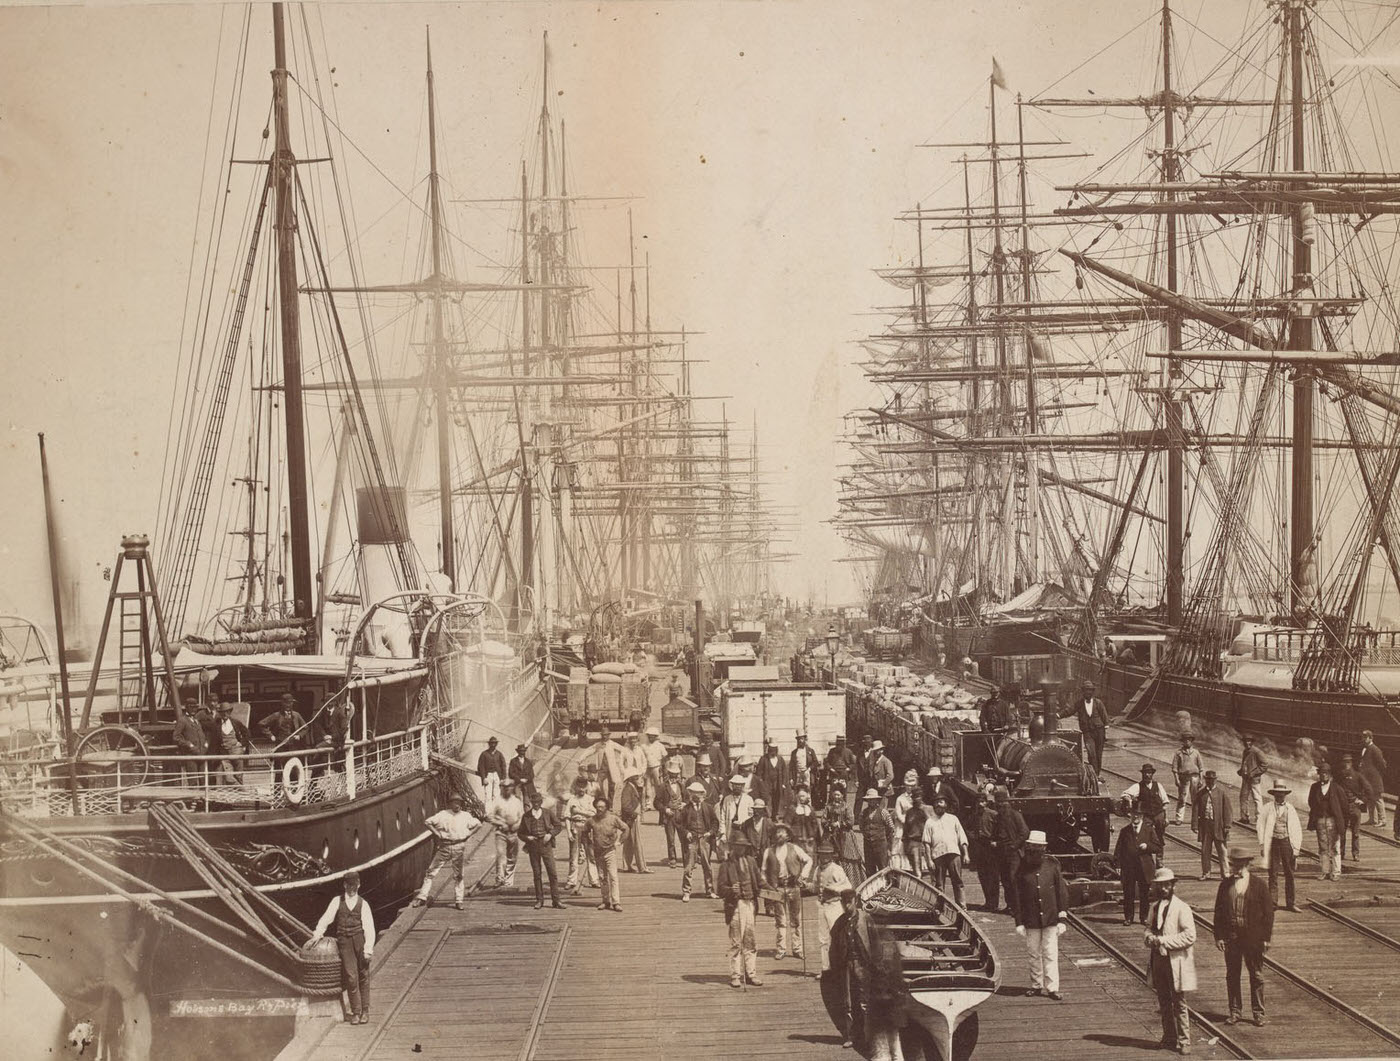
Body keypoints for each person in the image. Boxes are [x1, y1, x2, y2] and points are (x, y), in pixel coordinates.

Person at [1213, 845, 1273, 1027]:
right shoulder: (1225, 885)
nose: (1236, 867)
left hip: (1253, 938)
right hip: (1232, 937)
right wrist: (1219, 936)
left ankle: (1258, 1013)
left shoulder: (1259, 885)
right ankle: (1235, 1011)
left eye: (1240, 864)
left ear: (1247, 864)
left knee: (1256, 975)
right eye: (1234, 864)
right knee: (1232, 974)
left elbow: (1268, 914)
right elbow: (1218, 913)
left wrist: (1266, 938)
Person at [307, 871, 375, 1025]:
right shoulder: (337, 901)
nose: (352, 888)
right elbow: (326, 918)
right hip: (344, 942)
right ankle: (356, 1012)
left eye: (354, 885)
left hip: (359, 940)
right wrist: (317, 934)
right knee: (351, 977)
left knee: (363, 975)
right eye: (349, 885)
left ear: (359, 885)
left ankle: (365, 1011)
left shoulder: (363, 904)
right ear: (344, 885)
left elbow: (369, 927)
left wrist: (368, 949)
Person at [1145, 867, 1197, 1055]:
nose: (1164, 889)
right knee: (1163, 1000)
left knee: (1179, 1002)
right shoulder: (1154, 907)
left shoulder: (1182, 908)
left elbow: (1190, 936)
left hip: (1175, 960)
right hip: (1158, 959)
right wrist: (1149, 937)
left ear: (1173, 886)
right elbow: (1148, 927)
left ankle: (1184, 1040)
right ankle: (1169, 1037)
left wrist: (1165, 941)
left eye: (1167, 885)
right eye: (1161, 886)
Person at [1013, 830, 1069, 1000]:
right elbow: (1017, 896)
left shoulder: (1052, 866)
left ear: (1044, 848)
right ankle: (1036, 985)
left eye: (1039, 847)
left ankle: (1052, 988)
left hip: (1051, 917)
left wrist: (1062, 916)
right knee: (1033, 953)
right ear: (1028, 847)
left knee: (1050, 953)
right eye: (1033, 847)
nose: (1035, 850)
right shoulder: (1021, 868)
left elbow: (1061, 891)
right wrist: (1019, 921)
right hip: (1031, 919)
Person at [412, 795, 482, 910]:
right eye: (455, 803)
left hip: (459, 846)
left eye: (459, 803)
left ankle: (459, 900)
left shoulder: (466, 816)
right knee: (430, 872)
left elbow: (478, 824)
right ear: (450, 804)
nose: (457, 805)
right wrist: (437, 833)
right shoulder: (442, 814)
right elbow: (428, 822)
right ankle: (422, 897)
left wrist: (469, 833)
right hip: (444, 846)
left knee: (459, 875)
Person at [717, 832, 763, 988]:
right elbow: (720, 890)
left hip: (750, 904)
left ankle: (751, 974)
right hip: (735, 906)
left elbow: (760, 882)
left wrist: (775, 891)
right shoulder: (726, 865)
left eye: (743, 846)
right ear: (733, 847)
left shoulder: (751, 862)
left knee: (750, 940)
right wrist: (731, 889)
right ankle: (735, 975)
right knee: (736, 942)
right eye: (738, 846)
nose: (741, 849)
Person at [763, 822, 814, 961]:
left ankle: (797, 949)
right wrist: (767, 886)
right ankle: (781, 949)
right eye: (777, 832)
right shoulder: (768, 851)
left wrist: (803, 876)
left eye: (783, 832)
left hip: (793, 887)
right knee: (780, 920)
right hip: (777, 888)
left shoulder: (795, 848)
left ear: (788, 835)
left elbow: (809, 860)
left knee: (796, 919)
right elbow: (763, 871)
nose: (780, 834)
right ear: (773, 836)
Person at [1257, 780, 1301, 911]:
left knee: (1289, 873)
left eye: (1282, 794)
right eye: (1277, 794)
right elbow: (1260, 826)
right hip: (1273, 842)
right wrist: (1262, 844)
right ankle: (1273, 903)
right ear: (1274, 794)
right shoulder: (1267, 808)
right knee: (1273, 873)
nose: (1279, 796)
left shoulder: (1290, 809)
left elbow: (1296, 829)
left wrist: (1296, 848)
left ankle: (1291, 903)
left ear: (1285, 795)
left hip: (1287, 841)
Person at [519, 790, 567, 909]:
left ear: (541, 802)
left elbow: (558, 826)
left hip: (546, 845)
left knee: (552, 873)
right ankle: (539, 900)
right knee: (537, 874)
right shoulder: (526, 816)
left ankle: (556, 900)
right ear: (531, 802)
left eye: (538, 802)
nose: (536, 804)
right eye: (534, 802)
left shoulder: (547, 813)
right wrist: (527, 838)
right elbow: (520, 833)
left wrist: (550, 834)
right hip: (533, 845)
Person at [579, 794, 628, 912]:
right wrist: (588, 846)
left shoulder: (613, 819)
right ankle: (605, 901)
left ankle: (616, 902)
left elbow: (626, 828)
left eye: (602, 807)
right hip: (597, 852)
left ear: (606, 807)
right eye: (597, 807)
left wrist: (619, 841)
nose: (599, 809)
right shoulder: (591, 820)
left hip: (610, 851)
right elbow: (584, 833)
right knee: (602, 877)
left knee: (613, 876)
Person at [1115, 803, 1161, 924]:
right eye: (1134, 815)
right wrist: (1118, 865)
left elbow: (1158, 846)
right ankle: (1128, 917)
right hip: (1129, 867)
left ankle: (1144, 917)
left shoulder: (1149, 830)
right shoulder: (1125, 831)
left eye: (1138, 815)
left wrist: (1147, 846)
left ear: (1142, 816)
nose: (1135, 817)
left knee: (1144, 893)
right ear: (1131, 816)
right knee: (1128, 892)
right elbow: (1118, 850)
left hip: (1144, 867)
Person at [815, 837, 855, 973]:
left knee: (837, 937)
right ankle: (826, 968)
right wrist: (805, 885)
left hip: (835, 906)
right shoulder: (818, 870)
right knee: (823, 939)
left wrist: (833, 888)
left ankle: (839, 967)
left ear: (831, 856)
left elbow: (848, 887)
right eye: (822, 854)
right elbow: (815, 887)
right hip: (822, 906)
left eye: (827, 854)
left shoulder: (836, 869)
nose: (824, 857)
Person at [922, 795, 969, 906]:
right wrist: (929, 860)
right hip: (938, 855)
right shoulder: (929, 822)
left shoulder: (953, 819)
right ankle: (940, 907)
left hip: (953, 853)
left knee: (958, 881)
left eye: (941, 802)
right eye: (936, 803)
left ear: (946, 805)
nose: (938, 804)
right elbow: (926, 843)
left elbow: (962, 837)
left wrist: (966, 854)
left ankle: (962, 906)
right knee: (938, 884)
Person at [677, 780, 719, 901]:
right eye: (694, 793)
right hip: (692, 840)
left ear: (702, 794)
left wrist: (710, 832)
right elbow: (679, 824)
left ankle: (710, 890)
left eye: (699, 793)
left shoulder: (708, 808)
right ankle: (686, 892)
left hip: (704, 839)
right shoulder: (686, 809)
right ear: (690, 794)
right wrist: (686, 833)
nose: (696, 796)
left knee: (707, 866)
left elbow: (715, 822)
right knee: (689, 867)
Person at [1306, 760, 1347, 881]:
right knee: (1322, 847)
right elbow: (1311, 802)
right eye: (1322, 773)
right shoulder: (1314, 787)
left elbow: (1344, 806)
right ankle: (1324, 871)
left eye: (1326, 773)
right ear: (1319, 774)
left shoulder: (1337, 788)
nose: (1324, 775)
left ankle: (1336, 872)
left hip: (1333, 821)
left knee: (1334, 846)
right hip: (1320, 821)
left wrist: (1341, 821)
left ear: (1330, 774)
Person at [993, 786, 1029, 915]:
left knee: (1014, 880)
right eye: (998, 803)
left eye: (1002, 803)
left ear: (1006, 803)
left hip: (1014, 854)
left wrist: (1015, 846)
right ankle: (1009, 905)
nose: (1000, 805)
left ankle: (1017, 908)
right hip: (1002, 853)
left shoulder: (1015, 815)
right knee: (1005, 881)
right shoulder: (998, 817)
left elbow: (1024, 832)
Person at [485, 778, 525, 889]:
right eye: (505, 787)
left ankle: (508, 881)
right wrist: (500, 823)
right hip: (501, 832)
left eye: (509, 787)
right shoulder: (497, 801)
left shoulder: (517, 801)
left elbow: (522, 816)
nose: (507, 789)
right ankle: (499, 879)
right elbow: (489, 816)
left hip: (514, 832)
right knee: (501, 855)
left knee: (512, 857)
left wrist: (518, 824)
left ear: (512, 788)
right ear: (502, 788)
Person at [1193, 770, 1231, 880]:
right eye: (1208, 780)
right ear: (1205, 780)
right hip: (1205, 826)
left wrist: (1227, 825)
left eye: (1212, 780)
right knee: (1205, 851)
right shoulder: (1201, 793)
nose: (1210, 782)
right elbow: (1195, 809)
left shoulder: (1221, 793)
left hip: (1219, 826)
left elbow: (1227, 810)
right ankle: (1206, 872)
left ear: (1216, 780)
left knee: (1222, 851)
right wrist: (1195, 825)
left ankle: (1226, 873)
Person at [564, 775, 599, 892]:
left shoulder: (590, 800)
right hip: (575, 827)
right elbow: (567, 817)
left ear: (586, 787)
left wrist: (579, 811)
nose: (581, 789)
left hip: (587, 827)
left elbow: (594, 814)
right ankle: (571, 880)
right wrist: (568, 831)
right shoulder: (572, 800)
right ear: (576, 787)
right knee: (574, 855)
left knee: (591, 855)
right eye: (579, 786)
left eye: (583, 787)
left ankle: (594, 880)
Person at [1120, 763, 1170, 841]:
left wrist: (1165, 817)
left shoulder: (1158, 785)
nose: (1147, 775)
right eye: (1145, 773)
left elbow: (1165, 801)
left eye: (1149, 773)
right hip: (1146, 814)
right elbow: (1125, 794)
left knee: (1160, 831)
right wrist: (1129, 800)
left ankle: (1159, 850)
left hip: (1158, 813)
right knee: (1145, 832)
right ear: (1142, 774)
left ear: (1152, 774)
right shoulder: (1138, 786)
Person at [969, 791, 1001, 912]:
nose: (980, 804)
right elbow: (968, 828)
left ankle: (994, 903)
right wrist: (973, 837)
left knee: (993, 875)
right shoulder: (974, 815)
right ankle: (988, 901)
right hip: (979, 847)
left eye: (982, 801)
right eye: (978, 802)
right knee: (983, 875)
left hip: (991, 847)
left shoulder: (993, 814)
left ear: (986, 802)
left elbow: (1000, 829)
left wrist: (995, 840)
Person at [1336, 753, 1371, 861]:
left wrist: (1362, 800)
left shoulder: (1358, 776)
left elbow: (1369, 790)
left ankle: (1355, 854)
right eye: (1344, 762)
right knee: (1341, 831)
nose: (1346, 764)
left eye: (1348, 762)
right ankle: (1341, 853)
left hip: (1354, 806)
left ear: (1351, 763)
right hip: (1343, 807)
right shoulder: (1339, 776)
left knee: (1355, 833)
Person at [210, 702, 253, 785]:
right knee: (228, 777)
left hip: (237, 752)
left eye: (227, 712)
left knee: (239, 775)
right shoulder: (216, 724)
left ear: (230, 712)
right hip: (224, 754)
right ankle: (241, 790)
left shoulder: (235, 722)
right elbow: (213, 741)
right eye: (223, 712)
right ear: (220, 713)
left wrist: (242, 744)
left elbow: (247, 733)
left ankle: (240, 795)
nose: (225, 714)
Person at [655, 759, 688, 868]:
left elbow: (687, 799)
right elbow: (656, 802)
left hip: (681, 815)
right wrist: (665, 809)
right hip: (669, 816)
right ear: (668, 774)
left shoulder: (682, 786)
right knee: (671, 839)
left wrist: (684, 804)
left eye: (676, 774)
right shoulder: (662, 787)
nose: (674, 776)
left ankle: (686, 859)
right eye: (672, 774)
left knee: (684, 838)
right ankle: (672, 859)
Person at [860, 788, 897, 878]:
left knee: (883, 867)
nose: (871, 801)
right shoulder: (863, 813)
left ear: (877, 800)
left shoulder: (883, 812)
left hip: (881, 845)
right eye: (869, 800)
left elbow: (891, 829)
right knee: (869, 868)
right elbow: (861, 827)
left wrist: (889, 846)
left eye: (873, 799)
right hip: (868, 845)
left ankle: (886, 886)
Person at [619, 774, 651, 873]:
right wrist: (634, 815)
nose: (640, 779)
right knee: (637, 842)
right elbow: (625, 805)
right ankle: (642, 867)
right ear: (632, 778)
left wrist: (641, 789)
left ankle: (627, 866)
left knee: (629, 842)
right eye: (637, 778)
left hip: (630, 818)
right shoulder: (628, 789)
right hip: (632, 818)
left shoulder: (632, 787)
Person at [718, 775, 755, 858]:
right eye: (735, 785)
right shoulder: (727, 799)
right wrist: (722, 833)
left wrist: (743, 823)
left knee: (742, 851)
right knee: (730, 852)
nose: (737, 787)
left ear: (743, 786)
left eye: (739, 785)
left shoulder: (748, 799)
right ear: (732, 786)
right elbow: (723, 817)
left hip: (743, 829)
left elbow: (751, 816)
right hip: (730, 829)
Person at [1171, 733, 1204, 827]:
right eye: (1185, 740)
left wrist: (1201, 779)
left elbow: (1201, 767)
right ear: (1183, 741)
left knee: (1195, 799)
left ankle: (1196, 819)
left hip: (1194, 777)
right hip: (1184, 778)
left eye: (1189, 740)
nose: (1187, 741)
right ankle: (1179, 818)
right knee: (1182, 798)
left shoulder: (1196, 752)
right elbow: (1175, 768)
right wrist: (1176, 779)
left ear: (1191, 741)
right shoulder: (1179, 753)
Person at [1075, 679, 1106, 775]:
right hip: (1087, 732)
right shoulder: (1079, 703)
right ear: (1083, 691)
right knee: (1091, 753)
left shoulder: (1098, 703)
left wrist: (1106, 731)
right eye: (1086, 690)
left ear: (1092, 692)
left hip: (1099, 731)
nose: (1088, 692)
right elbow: (1069, 710)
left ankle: (1097, 774)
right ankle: (1094, 774)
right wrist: (1059, 715)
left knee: (1098, 754)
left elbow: (1104, 715)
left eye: (1090, 690)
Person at [172, 701, 207, 784]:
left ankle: (203, 797)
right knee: (193, 781)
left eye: (195, 707)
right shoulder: (182, 720)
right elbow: (176, 737)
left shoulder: (196, 721)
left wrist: (205, 745)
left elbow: (202, 735)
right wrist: (189, 745)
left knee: (204, 781)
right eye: (191, 707)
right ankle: (194, 797)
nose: (193, 709)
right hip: (190, 755)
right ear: (186, 708)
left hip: (201, 754)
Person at [754, 738, 790, 817]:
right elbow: (758, 773)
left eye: (774, 749)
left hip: (777, 783)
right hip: (766, 783)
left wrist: (783, 783)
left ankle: (775, 815)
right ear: (768, 749)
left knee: (776, 799)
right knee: (767, 799)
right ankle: (768, 816)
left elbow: (784, 772)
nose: (773, 751)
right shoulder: (763, 759)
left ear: (776, 750)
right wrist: (761, 784)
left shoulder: (780, 759)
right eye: (771, 749)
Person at [1359, 731, 1388, 827]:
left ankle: (1382, 819)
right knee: (1370, 798)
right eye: (1363, 737)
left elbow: (1382, 764)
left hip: (1374, 779)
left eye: (1365, 737)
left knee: (1378, 798)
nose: (1363, 739)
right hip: (1367, 779)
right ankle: (1372, 819)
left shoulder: (1375, 749)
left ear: (1371, 738)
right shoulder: (1365, 748)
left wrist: (1376, 774)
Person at [900, 789, 930, 878]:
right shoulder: (910, 812)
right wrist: (905, 841)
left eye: (919, 797)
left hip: (925, 841)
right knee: (916, 870)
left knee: (931, 867)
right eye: (915, 797)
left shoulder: (927, 809)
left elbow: (931, 825)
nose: (917, 799)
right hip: (912, 842)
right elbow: (906, 827)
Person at [825, 735, 859, 815]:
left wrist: (848, 769)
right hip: (834, 774)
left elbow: (853, 764)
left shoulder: (848, 752)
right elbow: (826, 762)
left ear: (844, 743)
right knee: (833, 793)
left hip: (844, 774)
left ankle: (843, 811)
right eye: (838, 743)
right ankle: (830, 811)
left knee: (843, 793)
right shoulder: (832, 751)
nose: (840, 744)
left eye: (842, 743)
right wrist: (831, 769)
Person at [1237, 736, 1266, 827]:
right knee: (1243, 797)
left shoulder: (1257, 752)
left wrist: (1254, 773)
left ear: (1252, 742)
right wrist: (1241, 770)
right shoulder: (1245, 751)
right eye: (1245, 741)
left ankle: (1259, 819)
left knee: (1257, 798)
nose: (1247, 743)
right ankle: (1244, 817)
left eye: (1249, 741)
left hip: (1254, 779)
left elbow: (1264, 765)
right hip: (1245, 778)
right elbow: (1245, 763)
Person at [642, 726, 668, 809]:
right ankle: (648, 804)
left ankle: (659, 803)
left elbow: (665, 757)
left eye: (653, 736)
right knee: (647, 786)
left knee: (659, 786)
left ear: (656, 736)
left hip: (656, 767)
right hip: (646, 768)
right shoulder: (644, 746)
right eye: (649, 735)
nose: (651, 737)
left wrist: (662, 767)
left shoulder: (660, 746)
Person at [476, 736, 507, 805]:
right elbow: (481, 767)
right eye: (491, 743)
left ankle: (495, 813)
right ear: (489, 744)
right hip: (488, 776)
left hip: (497, 775)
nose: (493, 745)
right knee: (488, 795)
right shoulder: (484, 754)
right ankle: (488, 813)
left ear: (496, 744)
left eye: (494, 743)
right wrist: (484, 778)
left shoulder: (499, 754)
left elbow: (503, 766)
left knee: (496, 794)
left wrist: (503, 778)